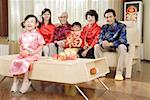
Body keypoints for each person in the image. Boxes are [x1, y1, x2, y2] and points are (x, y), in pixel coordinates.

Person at [10, 15, 45, 93]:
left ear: (36, 24)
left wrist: (34, 52)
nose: (29, 23)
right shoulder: (23, 34)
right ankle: (15, 81)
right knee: (15, 61)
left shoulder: (38, 35)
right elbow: (20, 44)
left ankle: (26, 80)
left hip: (33, 54)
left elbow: (41, 45)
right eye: (27, 21)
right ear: (24, 23)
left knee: (26, 62)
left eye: (32, 22)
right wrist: (21, 52)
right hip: (24, 54)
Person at [94, 9, 128, 81]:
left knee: (122, 47)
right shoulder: (104, 27)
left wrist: (111, 43)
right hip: (106, 46)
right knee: (96, 47)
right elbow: (100, 38)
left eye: (110, 17)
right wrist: (102, 43)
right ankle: (102, 71)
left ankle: (119, 73)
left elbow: (123, 40)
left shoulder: (122, 26)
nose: (108, 19)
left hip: (117, 46)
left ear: (114, 17)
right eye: (106, 17)